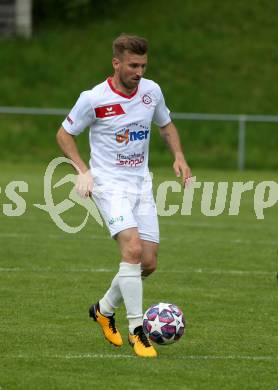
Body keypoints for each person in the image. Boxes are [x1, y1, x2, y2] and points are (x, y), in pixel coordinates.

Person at [56, 34, 191, 358]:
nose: (139, 71)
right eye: (133, 65)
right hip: (108, 183)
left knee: (147, 263)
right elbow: (64, 134)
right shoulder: (93, 98)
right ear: (117, 63)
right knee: (131, 249)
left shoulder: (151, 91)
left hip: (140, 184)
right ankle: (136, 331)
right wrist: (82, 170)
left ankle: (103, 310)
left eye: (143, 65)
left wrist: (179, 156)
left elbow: (166, 125)